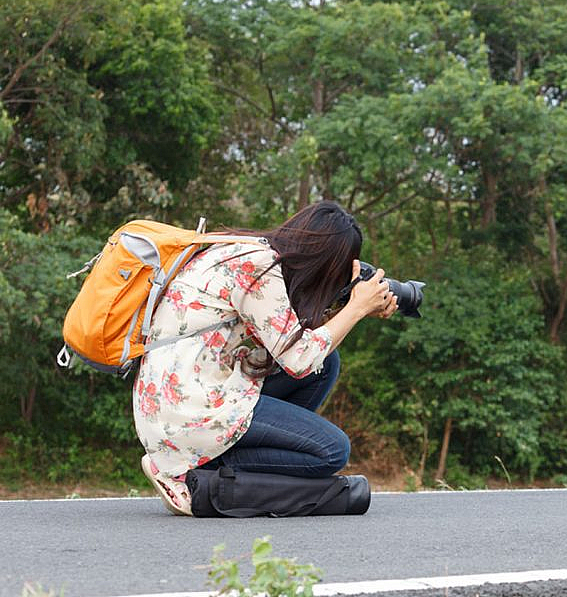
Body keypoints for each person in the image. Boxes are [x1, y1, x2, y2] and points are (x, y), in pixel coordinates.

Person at [133, 201, 397, 515]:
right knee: (332, 451)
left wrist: (352, 309)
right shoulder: (259, 267)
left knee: (326, 364)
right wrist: (356, 309)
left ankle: (229, 458)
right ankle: (193, 470)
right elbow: (298, 359)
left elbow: (296, 346)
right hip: (187, 409)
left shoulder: (247, 251)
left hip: (182, 396)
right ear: (325, 261)